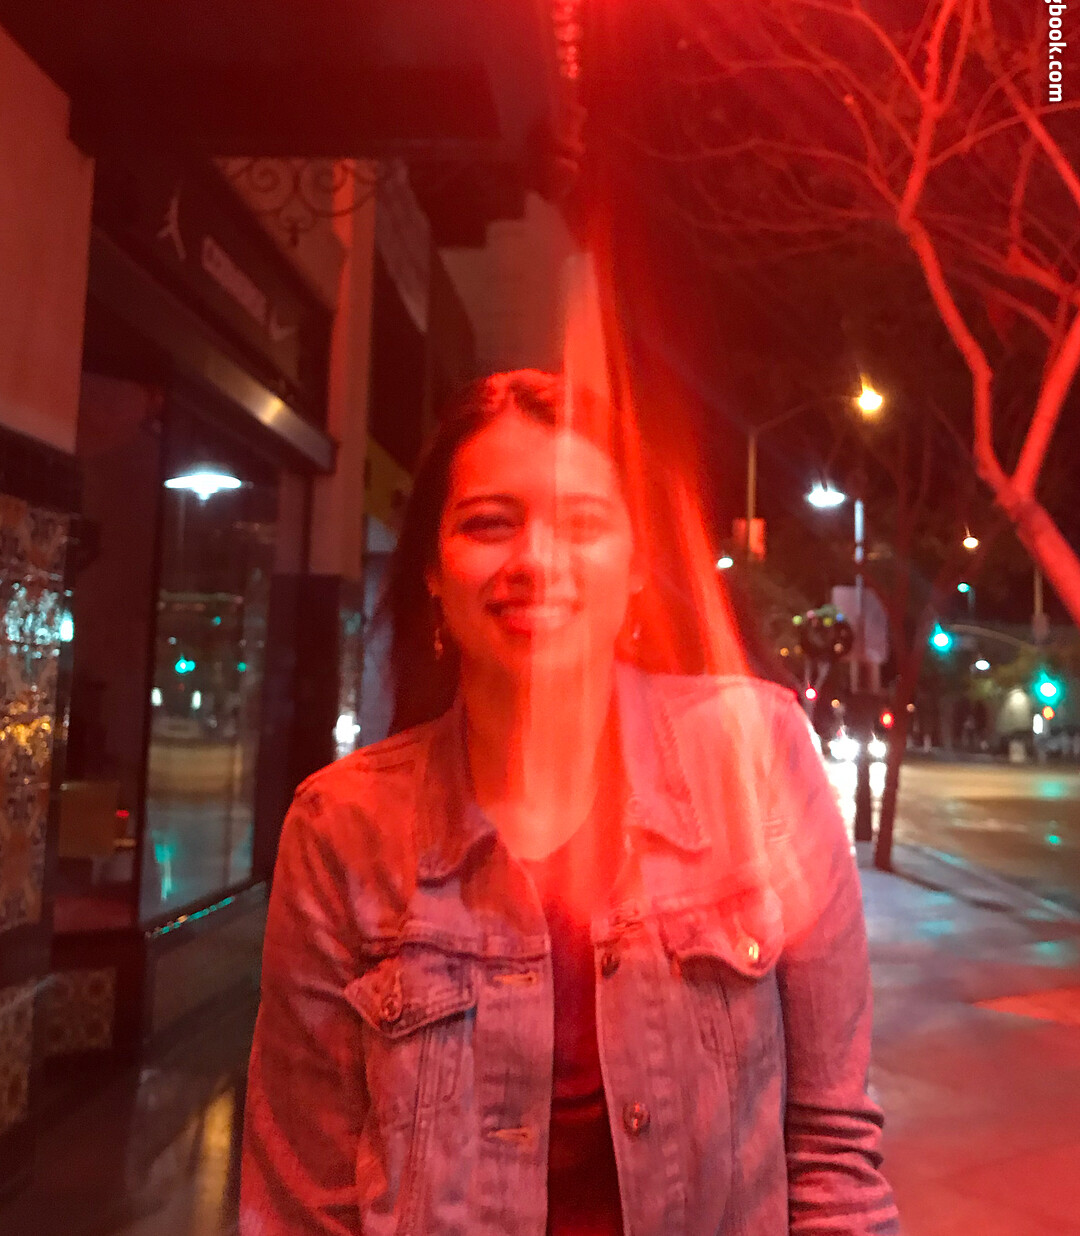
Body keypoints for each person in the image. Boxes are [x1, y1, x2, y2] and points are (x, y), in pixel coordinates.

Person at [241, 369, 900, 1236]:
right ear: (432, 569)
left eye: (583, 523)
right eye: (489, 523)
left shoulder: (758, 755)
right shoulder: (342, 828)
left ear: (636, 565)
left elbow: (832, 1151)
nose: (536, 562)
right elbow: (302, 1204)